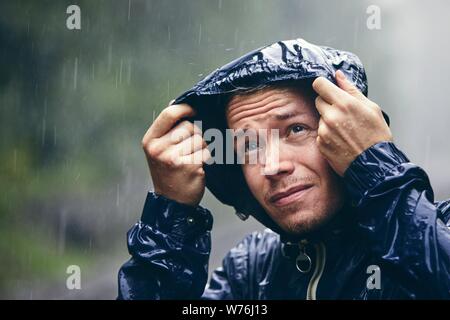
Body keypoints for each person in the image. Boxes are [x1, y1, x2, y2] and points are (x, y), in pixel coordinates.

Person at [117, 38, 450, 299]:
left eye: (295, 129)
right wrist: (170, 218)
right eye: (248, 146)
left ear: (347, 134)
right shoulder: (248, 274)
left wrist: (375, 166)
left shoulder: (438, 232)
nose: (271, 166)